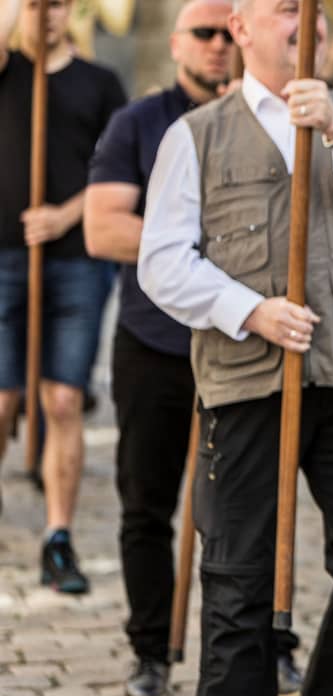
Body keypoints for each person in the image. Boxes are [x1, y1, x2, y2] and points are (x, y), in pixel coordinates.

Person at [136, 0, 333, 696]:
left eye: (318, 12)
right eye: (288, 8)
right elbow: (162, 262)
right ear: (242, 28)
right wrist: (250, 311)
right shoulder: (196, 133)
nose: (310, 22)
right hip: (244, 384)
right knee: (238, 585)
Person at [84, 0, 302, 696]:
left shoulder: (283, 115)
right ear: (177, 43)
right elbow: (103, 229)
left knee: (256, 511)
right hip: (158, 343)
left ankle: (272, 646)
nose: (214, 45)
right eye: (200, 33)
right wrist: (200, 237)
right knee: (146, 504)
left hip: (249, 351)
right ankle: (152, 648)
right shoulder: (140, 123)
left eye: (222, 31)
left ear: (242, 34)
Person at [0, 0, 126, 593]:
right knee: (3, 398)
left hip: (75, 259)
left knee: (64, 399)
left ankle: (58, 536)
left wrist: (63, 215)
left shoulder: (99, 83)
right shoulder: (8, 70)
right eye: (33, 3)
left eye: (54, 3)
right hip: (4, 255)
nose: (43, 14)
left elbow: (116, 172)